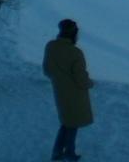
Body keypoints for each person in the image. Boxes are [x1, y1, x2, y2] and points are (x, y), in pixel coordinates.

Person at [43, 19, 94, 161]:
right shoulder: (75, 52)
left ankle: (57, 152)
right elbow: (81, 79)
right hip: (76, 94)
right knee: (72, 124)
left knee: (66, 123)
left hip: (60, 92)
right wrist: (90, 83)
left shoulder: (50, 46)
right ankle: (69, 153)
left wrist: (60, 79)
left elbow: (47, 70)